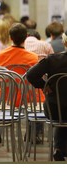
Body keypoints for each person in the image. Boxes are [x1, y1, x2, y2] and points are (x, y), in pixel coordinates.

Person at [27, 32, 67, 161]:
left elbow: (31, 75)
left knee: (61, 115)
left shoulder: (52, 60)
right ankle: (60, 149)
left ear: (64, 42)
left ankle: (59, 149)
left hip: (54, 109)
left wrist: (44, 85)